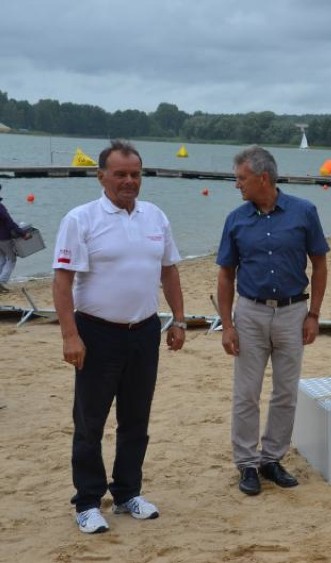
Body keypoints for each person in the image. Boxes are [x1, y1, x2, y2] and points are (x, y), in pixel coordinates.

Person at [52, 140, 186, 534]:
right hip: (96, 333)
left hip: (144, 331)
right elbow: (62, 282)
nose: (129, 181)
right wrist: (70, 335)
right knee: (90, 422)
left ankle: (127, 493)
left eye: (135, 174)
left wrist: (178, 320)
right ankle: (88, 502)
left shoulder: (155, 217)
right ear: (101, 176)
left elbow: (170, 270)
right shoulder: (81, 219)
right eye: (120, 174)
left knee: (135, 420)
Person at [216, 145, 329, 496]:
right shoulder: (235, 219)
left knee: (285, 392)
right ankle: (247, 464)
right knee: (246, 393)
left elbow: (320, 265)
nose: (237, 185)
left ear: (263, 178)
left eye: (242, 179)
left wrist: (314, 315)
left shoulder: (304, 212)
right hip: (249, 312)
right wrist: (227, 324)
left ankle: (272, 458)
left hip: (294, 312)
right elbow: (225, 275)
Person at [0, 183, 31, 291]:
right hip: (4, 238)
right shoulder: (1, 208)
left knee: (2, 259)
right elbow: (10, 223)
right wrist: (23, 233)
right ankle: (2, 282)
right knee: (12, 259)